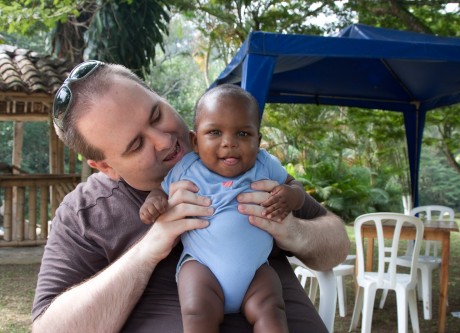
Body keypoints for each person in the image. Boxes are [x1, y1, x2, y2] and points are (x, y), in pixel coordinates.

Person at [31, 60, 350, 333]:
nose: (163, 140)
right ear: (105, 166)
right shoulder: (85, 213)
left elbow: (335, 246)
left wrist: (294, 232)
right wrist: (148, 251)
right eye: (136, 145)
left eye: (156, 115)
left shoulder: (245, 164)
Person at [140, 84, 305, 332]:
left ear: (258, 140)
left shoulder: (265, 164)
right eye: (215, 132)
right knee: (197, 311)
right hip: (202, 267)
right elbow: (161, 191)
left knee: (272, 308)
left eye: (243, 134)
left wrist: (291, 196)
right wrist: (154, 202)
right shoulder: (187, 168)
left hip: (256, 271)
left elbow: (297, 187)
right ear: (195, 141)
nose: (229, 143)